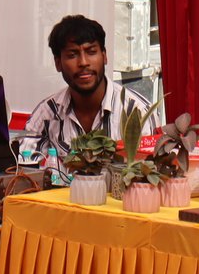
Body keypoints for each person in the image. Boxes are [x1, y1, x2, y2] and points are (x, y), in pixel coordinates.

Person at [26, 14, 151, 168]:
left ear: (104, 56)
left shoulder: (136, 112)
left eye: (91, 52)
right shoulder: (47, 113)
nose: (83, 62)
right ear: (58, 63)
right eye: (72, 55)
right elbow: (23, 168)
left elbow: (153, 175)